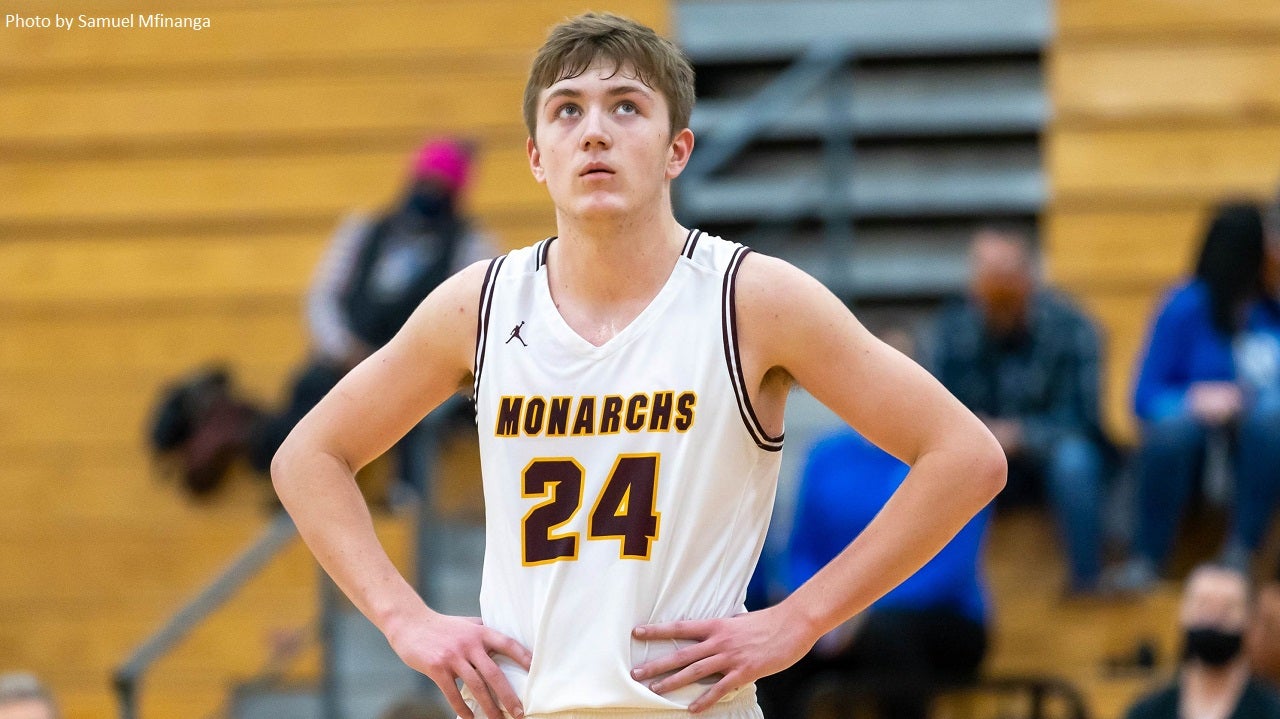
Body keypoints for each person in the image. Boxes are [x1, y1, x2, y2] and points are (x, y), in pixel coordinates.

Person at [271, 13, 1005, 719]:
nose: (594, 130)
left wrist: (803, 617)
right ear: (536, 156)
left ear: (677, 150)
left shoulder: (751, 298)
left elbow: (966, 456)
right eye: (566, 110)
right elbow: (307, 457)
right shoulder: (480, 305)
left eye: (626, 106)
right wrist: (404, 619)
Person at [149, 137, 492, 497]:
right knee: (304, 405)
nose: (430, 192)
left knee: (411, 414)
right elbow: (323, 297)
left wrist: (402, 361)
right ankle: (287, 478)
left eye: (440, 186)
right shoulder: (364, 230)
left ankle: (401, 497)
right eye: (426, 182)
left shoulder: (470, 245)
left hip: (412, 369)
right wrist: (345, 349)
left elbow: (469, 317)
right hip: (342, 359)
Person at [756, 429, 991, 719]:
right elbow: (802, 551)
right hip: (836, 619)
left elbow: (948, 570)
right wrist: (810, 609)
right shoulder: (826, 456)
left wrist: (852, 610)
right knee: (775, 641)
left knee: (885, 635)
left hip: (940, 617)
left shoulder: (944, 454)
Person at [928, 227, 1110, 594]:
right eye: (990, 284)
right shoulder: (950, 332)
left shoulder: (1073, 327)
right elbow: (933, 417)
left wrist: (1020, 434)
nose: (999, 296)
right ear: (974, 286)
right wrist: (982, 436)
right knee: (933, 467)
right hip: (977, 456)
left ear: (1029, 280)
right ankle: (935, 590)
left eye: (1007, 283)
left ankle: (1088, 582)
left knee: (1076, 461)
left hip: (1048, 460)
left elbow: (1084, 420)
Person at [1110, 203, 1280, 593]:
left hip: (1258, 447)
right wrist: (1193, 399)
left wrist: (1251, 400)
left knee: (1271, 418)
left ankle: (1242, 551)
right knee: (1172, 430)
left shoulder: (1270, 311)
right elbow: (1144, 398)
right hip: (1194, 444)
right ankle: (1147, 558)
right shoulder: (1184, 306)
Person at [1123, 564, 1280, 719]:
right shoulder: (1148, 711)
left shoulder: (1271, 710)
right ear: (1182, 613)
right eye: (1203, 605)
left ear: (1249, 619)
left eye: (1227, 608)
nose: (1213, 619)